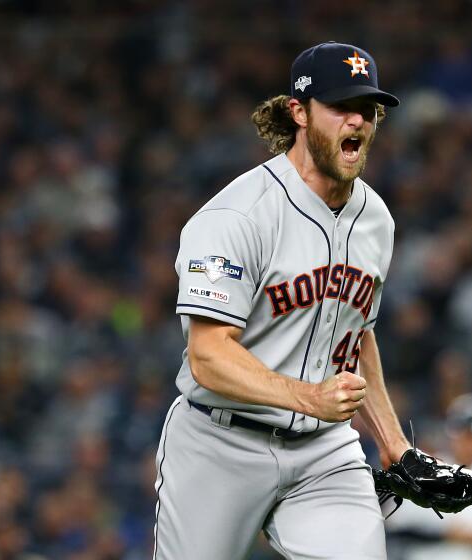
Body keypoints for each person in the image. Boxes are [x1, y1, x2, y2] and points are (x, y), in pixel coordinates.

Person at [152, 41, 415, 559]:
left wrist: (391, 443)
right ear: (298, 112)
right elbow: (208, 356)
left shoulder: (377, 220)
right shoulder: (237, 216)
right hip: (219, 443)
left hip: (325, 452)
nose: (357, 122)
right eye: (340, 107)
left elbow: (355, 335)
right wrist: (309, 397)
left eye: (368, 110)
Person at [385, 394, 472, 560]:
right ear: (452, 434)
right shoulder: (425, 469)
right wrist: (445, 533)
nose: (469, 443)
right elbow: (397, 529)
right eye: (464, 435)